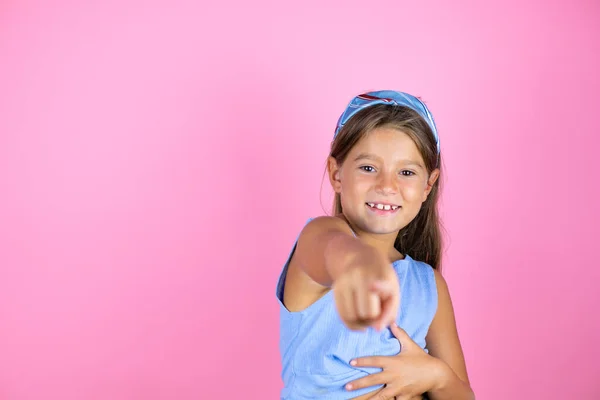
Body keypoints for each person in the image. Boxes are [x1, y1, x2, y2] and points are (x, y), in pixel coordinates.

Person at [275, 90, 475, 400]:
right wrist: (357, 264)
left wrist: (434, 376)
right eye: (368, 168)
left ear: (428, 185)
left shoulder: (428, 284)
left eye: (406, 172)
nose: (386, 186)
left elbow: (461, 394)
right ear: (336, 173)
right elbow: (331, 248)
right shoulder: (319, 238)